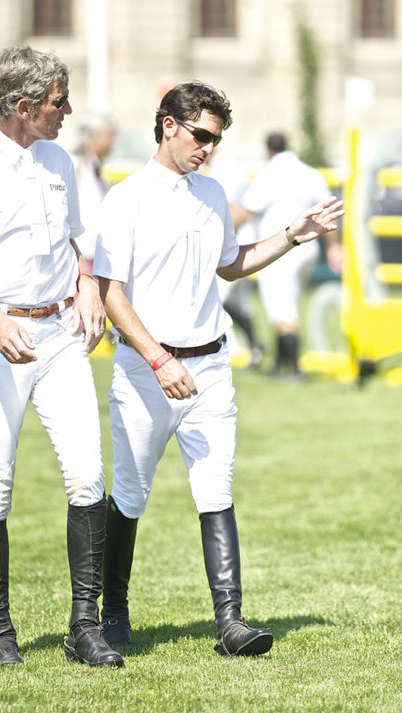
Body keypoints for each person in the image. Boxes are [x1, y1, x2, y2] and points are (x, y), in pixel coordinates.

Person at [93, 81, 344, 658]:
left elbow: (231, 266)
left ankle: (229, 623)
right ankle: (113, 616)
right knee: (130, 494)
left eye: (217, 138)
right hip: (145, 371)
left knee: (216, 488)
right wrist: (157, 359)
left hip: (211, 367)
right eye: (202, 135)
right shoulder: (126, 198)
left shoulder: (211, 192)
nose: (209, 147)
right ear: (169, 126)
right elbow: (111, 294)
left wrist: (292, 236)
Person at [0, 45, 123, 669]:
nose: (67, 111)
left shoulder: (60, 161)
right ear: (23, 108)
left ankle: (84, 626)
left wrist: (90, 290)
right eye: (58, 102)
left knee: (88, 477)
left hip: (60, 337)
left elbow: (77, 241)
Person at [239, 133, 343, 377]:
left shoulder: (268, 174)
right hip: (308, 249)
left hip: (280, 248)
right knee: (288, 304)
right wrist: (333, 247)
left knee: (280, 308)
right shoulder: (311, 173)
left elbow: (248, 210)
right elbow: (327, 211)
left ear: (269, 150)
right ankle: (279, 364)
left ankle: (295, 368)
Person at [207, 149, 264, 368]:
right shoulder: (228, 164)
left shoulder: (223, 167)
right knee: (239, 303)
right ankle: (256, 348)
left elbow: (235, 212)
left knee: (217, 297)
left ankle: (232, 351)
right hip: (242, 239)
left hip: (236, 243)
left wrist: (219, 242)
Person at [70, 110, 116, 269]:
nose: (113, 141)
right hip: (81, 257)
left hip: (96, 254)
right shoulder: (74, 164)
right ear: (91, 137)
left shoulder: (95, 166)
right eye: (108, 135)